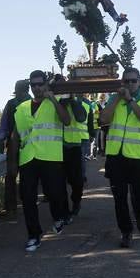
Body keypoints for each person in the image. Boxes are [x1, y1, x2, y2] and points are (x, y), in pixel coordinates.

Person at [11, 70, 72, 252]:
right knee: (28, 198)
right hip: (28, 158)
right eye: (33, 85)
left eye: (40, 84)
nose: (37, 88)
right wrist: (12, 163)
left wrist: (53, 99)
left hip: (50, 157)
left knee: (54, 194)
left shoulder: (55, 103)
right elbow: (15, 136)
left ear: (45, 84)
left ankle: (59, 216)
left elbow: (67, 121)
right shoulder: (22, 108)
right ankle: (34, 235)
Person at [100, 67, 140, 248]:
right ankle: (126, 232)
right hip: (116, 157)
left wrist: (130, 100)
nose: (129, 84)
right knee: (119, 198)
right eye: (126, 81)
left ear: (139, 82)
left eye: (133, 81)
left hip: (138, 157)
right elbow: (103, 119)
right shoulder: (114, 100)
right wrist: (116, 99)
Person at [57, 78, 88, 221]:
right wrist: (60, 102)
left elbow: (81, 117)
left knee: (77, 181)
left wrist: (71, 100)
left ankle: (76, 202)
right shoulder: (54, 103)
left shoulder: (77, 103)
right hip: (57, 148)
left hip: (74, 146)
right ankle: (63, 211)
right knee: (58, 182)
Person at [0, 79, 30, 214]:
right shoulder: (33, 102)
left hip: (18, 143)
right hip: (26, 143)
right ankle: (21, 203)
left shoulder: (12, 104)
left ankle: (12, 206)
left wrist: (1, 139)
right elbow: (4, 124)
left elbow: (4, 124)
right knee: (21, 175)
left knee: (13, 175)